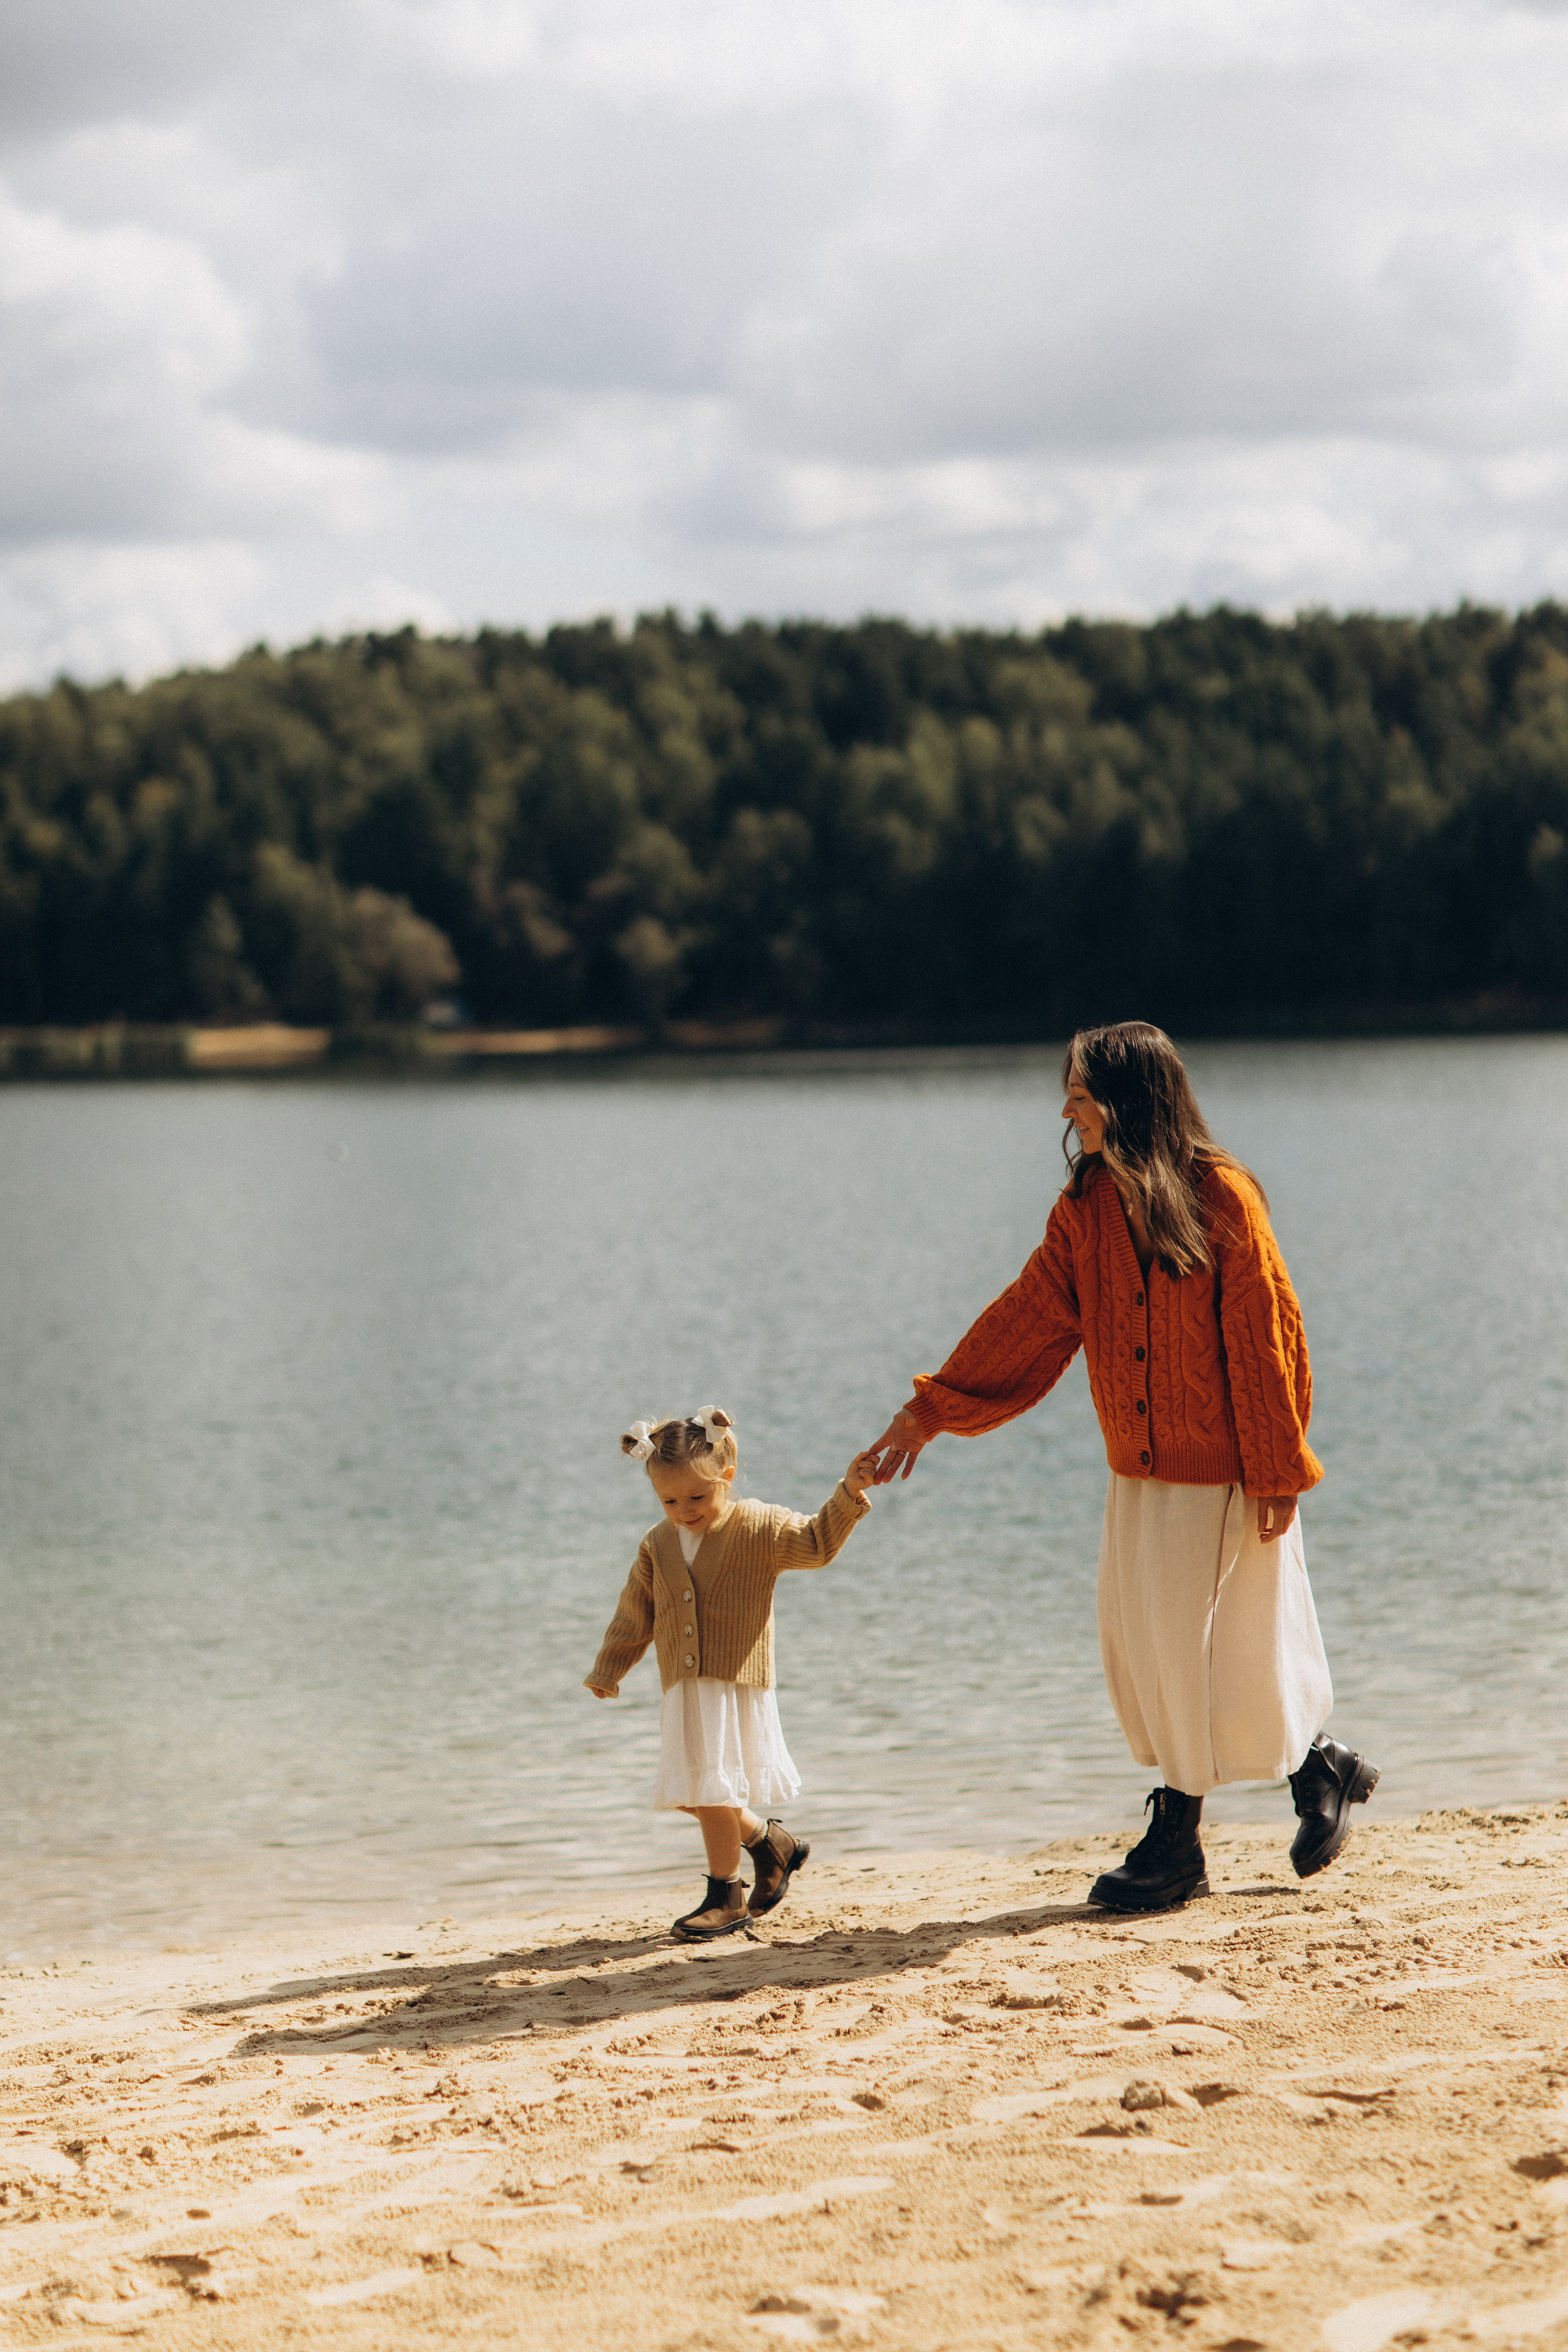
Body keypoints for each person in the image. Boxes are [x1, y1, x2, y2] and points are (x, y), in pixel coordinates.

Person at [867, 1022, 1377, 1912]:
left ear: (1128, 1097)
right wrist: (931, 1410)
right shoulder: (1089, 1206)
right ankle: (1318, 1769)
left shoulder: (1222, 1196)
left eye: (1079, 1090)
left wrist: (1275, 1470)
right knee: (1154, 1649)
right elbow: (1029, 1316)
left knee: (1194, 1652)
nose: (1066, 1107)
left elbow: (1268, 1341)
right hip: (1138, 1473)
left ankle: (1178, 1844)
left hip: (1222, 1471)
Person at [586, 1408, 878, 1941]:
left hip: (732, 1681)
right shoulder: (658, 1544)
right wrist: (610, 1667)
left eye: (697, 1498)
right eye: (669, 1501)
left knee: (712, 1788)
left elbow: (816, 1544)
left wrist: (848, 1493)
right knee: (686, 1789)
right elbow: (637, 1612)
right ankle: (770, 1843)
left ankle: (727, 1895)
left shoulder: (758, 1527)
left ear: (728, 1475)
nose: (684, 1511)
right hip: (683, 1684)